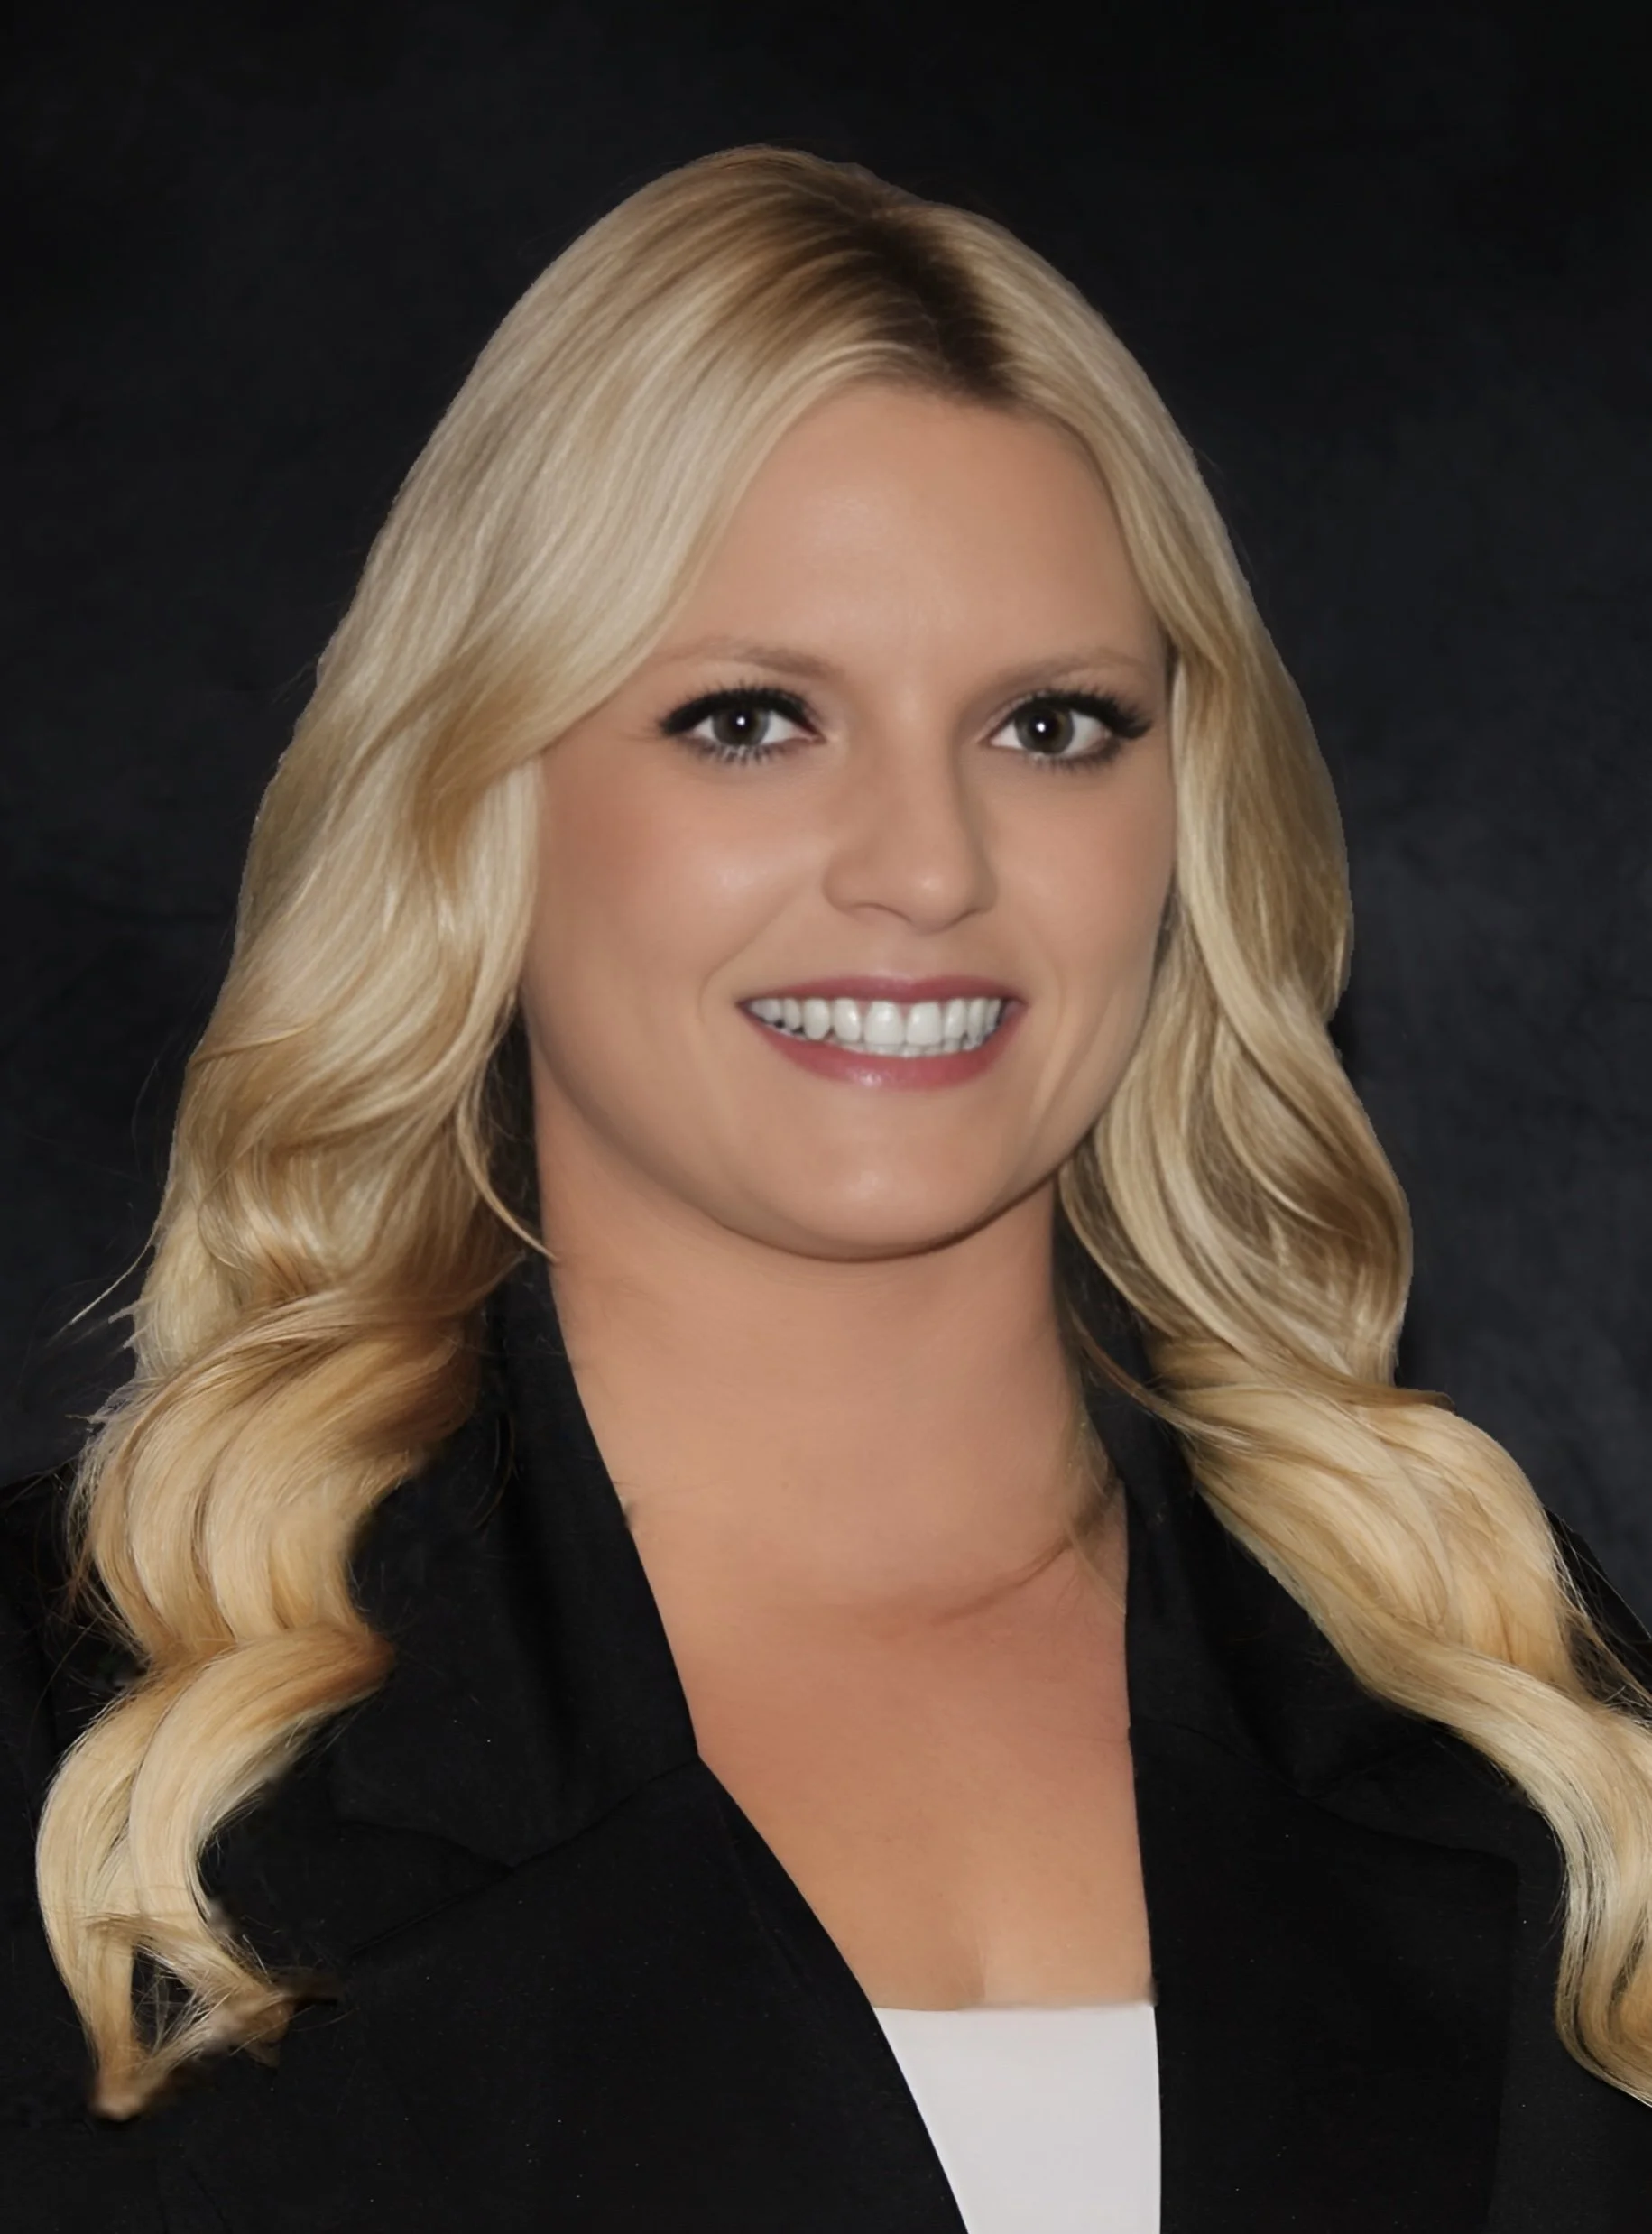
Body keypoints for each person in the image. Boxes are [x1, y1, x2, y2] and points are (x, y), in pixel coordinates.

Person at [2, 145, 1650, 2234]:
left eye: (1054, 722)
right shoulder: (80, 1740)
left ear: (1184, 817)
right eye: (751, 718)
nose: (930, 867)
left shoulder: (1522, 1700)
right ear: (478, 801)